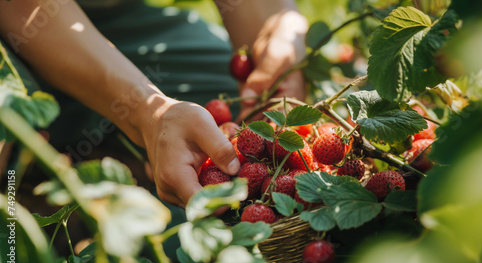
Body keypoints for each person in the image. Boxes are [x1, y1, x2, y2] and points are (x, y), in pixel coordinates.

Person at [0, 0, 308, 208]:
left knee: (223, 98)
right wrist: (147, 113)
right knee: (10, 126)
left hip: (108, 15)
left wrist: (273, 28)